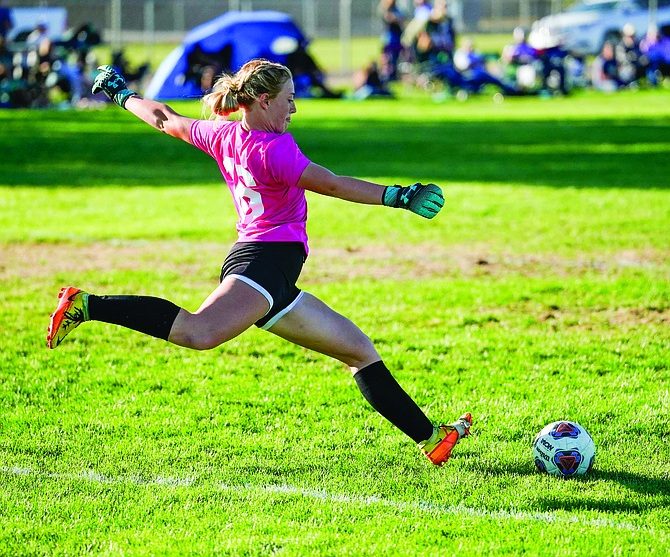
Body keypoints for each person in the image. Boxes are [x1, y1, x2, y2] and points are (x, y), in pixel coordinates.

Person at [46, 60, 472, 466]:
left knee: (359, 352)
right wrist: (399, 195)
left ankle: (431, 439)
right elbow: (332, 184)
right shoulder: (275, 150)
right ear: (264, 100)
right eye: (288, 98)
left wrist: (123, 95)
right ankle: (87, 304)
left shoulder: (222, 134)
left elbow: (164, 119)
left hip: (274, 274)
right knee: (200, 332)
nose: (294, 106)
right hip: (263, 265)